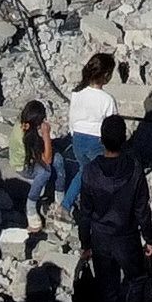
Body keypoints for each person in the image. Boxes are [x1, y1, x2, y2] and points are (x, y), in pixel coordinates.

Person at [70, 111, 152, 302]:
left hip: (100, 238)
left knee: (108, 288)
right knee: (137, 279)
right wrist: (150, 237)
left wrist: (85, 243)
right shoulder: (135, 169)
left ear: (101, 139)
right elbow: (142, 208)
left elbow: (85, 213)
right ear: (124, 139)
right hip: (127, 236)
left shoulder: (89, 171)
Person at [56, 52, 119, 209]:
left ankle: (66, 205)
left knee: (84, 171)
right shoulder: (107, 99)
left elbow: (72, 118)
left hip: (77, 140)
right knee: (105, 174)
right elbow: (113, 127)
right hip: (96, 142)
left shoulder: (77, 93)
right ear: (106, 75)